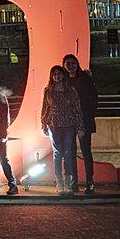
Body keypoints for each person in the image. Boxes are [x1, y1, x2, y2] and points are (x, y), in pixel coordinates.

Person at [40, 64, 84, 195]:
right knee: (57, 153)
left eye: (59, 74)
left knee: (68, 152)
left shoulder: (70, 90)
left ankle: (68, 182)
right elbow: (45, 109)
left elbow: (77, 109)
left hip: (69, 124)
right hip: (54, 125)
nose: (57, 76)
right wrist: (43, 124)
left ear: (63, 75)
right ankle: (59, 182)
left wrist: (80, 126)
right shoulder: (48, 91)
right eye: (54, 74)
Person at [63, 54, 100, 194]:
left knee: (86, 151)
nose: (71, 66)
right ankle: (73, 182)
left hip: (84, 120)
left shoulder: (85, 79)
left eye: (73, 63)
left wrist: (89, 115)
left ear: (77, 64)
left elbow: (93, 98)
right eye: (68, 64)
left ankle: (89, 182)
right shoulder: (64, 80)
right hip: (68, 121)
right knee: (70, 152)